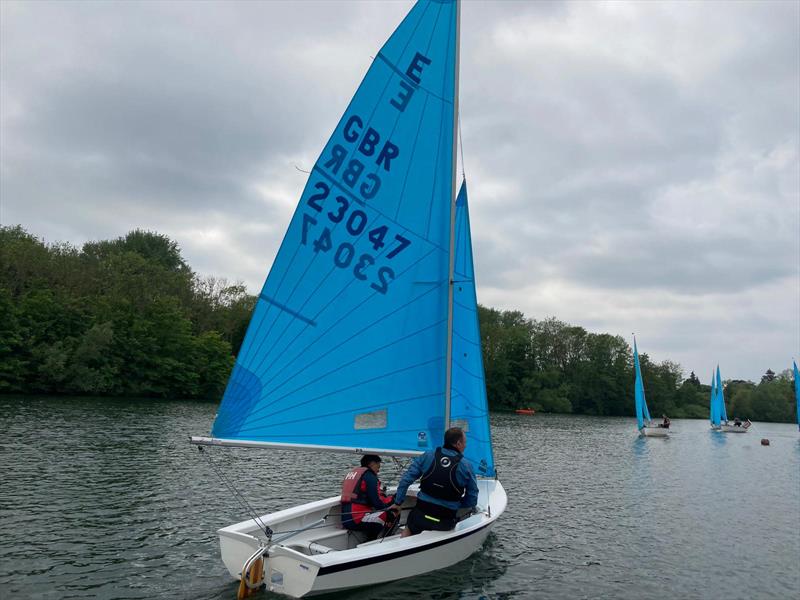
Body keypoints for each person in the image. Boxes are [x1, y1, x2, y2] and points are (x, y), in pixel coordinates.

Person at [390, 427, 479, 537]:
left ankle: (402, 545)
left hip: (420, 516)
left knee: (411, 524)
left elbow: (405, 480)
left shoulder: (427, 456)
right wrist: (458, 505)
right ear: (458, 443)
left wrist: (398, 503)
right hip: (445, 521)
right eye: (465, 442)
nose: (465, 446)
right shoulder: (466, 466)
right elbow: (472, 498)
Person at [340, 455, 397, 540]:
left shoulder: (352, 474)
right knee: (393, 513)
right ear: (372, 464)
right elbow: (377, 504)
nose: (378, 470)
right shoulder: (370, 476)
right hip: (357, 520)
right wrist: (392, 503)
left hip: (345, 520)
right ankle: (379, 541)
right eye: (378, 466)